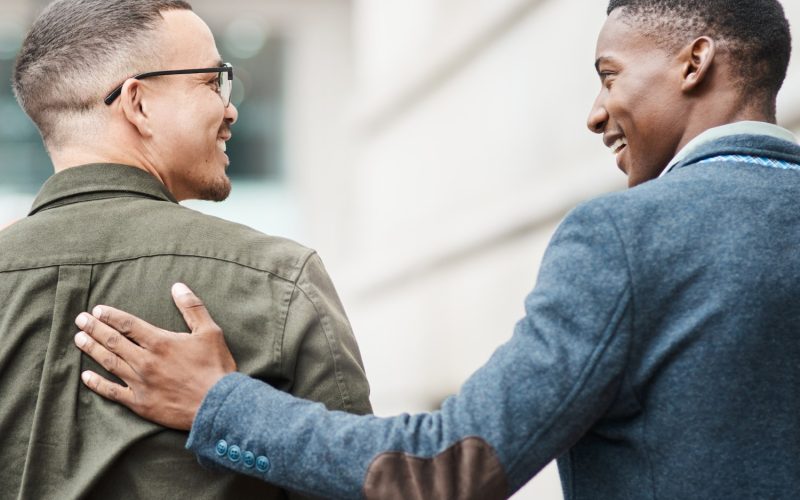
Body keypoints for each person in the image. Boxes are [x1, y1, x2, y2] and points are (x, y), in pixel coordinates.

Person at [72, 0, 799, 498]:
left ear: (695, 61)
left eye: (609, 75)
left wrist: (217, 403)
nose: (595, 113)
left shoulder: (629, 236)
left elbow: (448, 467)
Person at [0, 0, 370, 498]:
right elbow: (359, 479)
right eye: (213, 81)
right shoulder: (276, 279)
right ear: (138, 103)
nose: (231, 107)